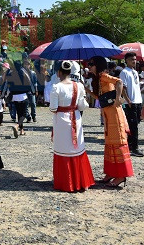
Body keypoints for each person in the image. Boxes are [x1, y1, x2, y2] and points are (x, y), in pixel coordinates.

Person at [49, 61, 95, 192]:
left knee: (63, 149)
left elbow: (53, 108)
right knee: (77, 148)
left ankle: (66, 182)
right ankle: (81, 181)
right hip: (75, 118)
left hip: (62, 120)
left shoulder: (56, 87)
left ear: (59, 73)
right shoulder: (78, 86)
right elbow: (82, 106)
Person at [89, 56, 134, 188]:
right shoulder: (98, 79)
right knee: (110, 144)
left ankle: (121, 175)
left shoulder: (103, 76)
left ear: (98, 65)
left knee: (117, 143)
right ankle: (111, 172)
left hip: (114, 113)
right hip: (108, 115)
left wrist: (118, 98)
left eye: (91, 64)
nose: (89, 66)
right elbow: (100, 98)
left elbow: (119, 82)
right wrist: (86, 91)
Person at [120, 52, 144, 157]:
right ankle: (134, 148)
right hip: (131, 102)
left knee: (135, 123)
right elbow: (123, 88)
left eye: (135, 59)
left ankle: (130, 145)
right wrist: (128, 100)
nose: (134, 61)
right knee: (133, 126)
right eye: (131, 59)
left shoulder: (135, 72)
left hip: (137, 101)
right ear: (126, 60)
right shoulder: (124, 72)